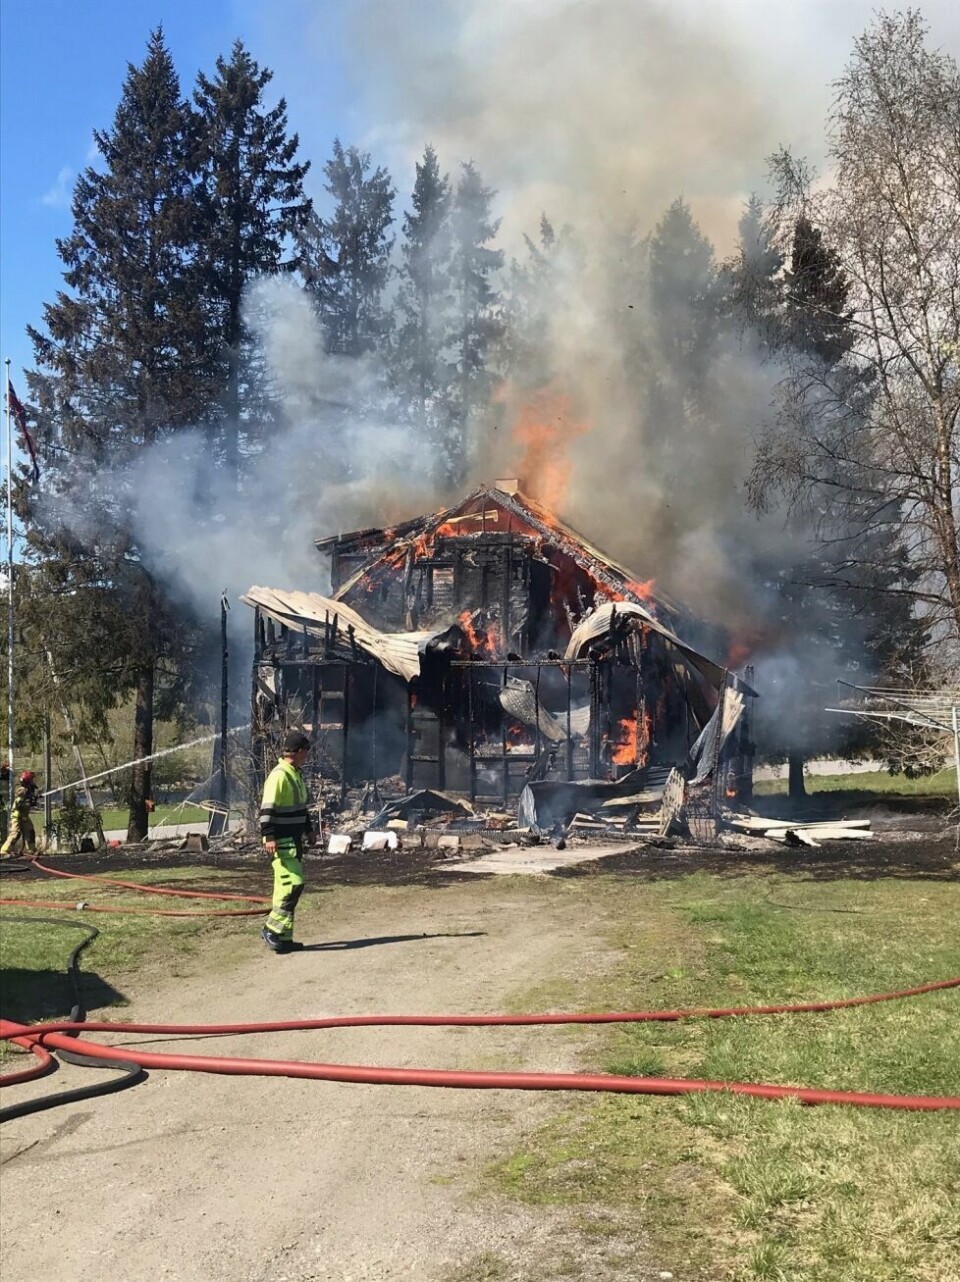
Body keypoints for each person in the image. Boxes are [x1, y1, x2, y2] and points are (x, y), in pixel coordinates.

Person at [259, 730, 316, 954]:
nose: (308, 755)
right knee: (293, 884)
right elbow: (267, 808)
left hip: (294, 840)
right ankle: (271, 928)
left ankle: (284, 938)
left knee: (283, 889)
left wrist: (309, 830)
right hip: (281, 840)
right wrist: (269, 836)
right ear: (299, 751)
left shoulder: (296, 774)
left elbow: (300, 808)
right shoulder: (279, 775)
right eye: (307, 751)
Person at [1, 770, 40, 856]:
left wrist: (34, 799)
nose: (33, 781)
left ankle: (31, 849)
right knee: (15, 833)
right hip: (17, 816)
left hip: (24, 816)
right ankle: (4, 851)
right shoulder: (21, 790)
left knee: (30, 831)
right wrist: (30, 800)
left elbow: (30, 802)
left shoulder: (29, 790)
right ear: (27, 781)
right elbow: (20, 803)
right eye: (31, 779)